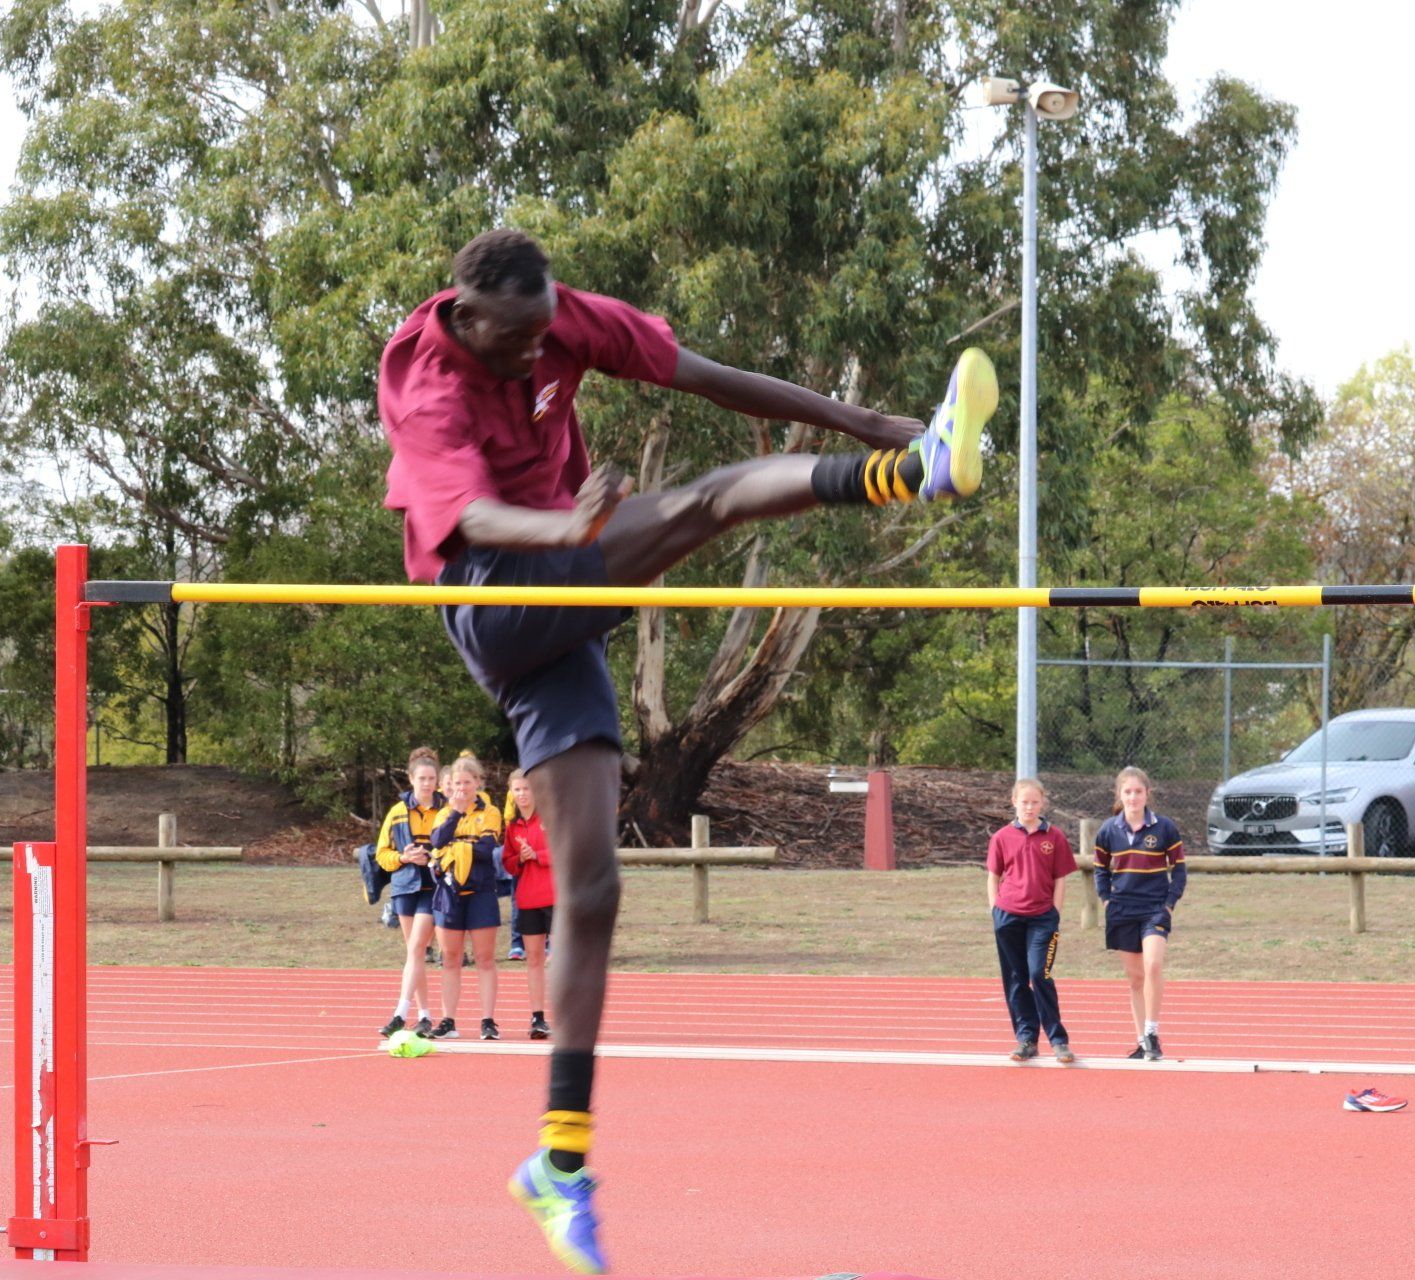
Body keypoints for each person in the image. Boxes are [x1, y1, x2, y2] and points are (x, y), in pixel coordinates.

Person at [378, 228, 994, 1273]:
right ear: (467, 313)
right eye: (515, 340)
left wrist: (856, 412)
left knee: (594, 888)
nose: (536, 354)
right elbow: (470, 511)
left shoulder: (556, 316)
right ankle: (917, 473)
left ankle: (558, 1163)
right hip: (498, 588)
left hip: (563, 618)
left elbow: (706, 375)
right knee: (709, 499)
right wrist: (567, 529)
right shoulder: (425, 375)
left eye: (544, 334)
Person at [1093, 766, 1186, 1061]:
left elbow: (1180, 870)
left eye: (1138, 791)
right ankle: (1140, 1043)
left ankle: (1152, 1032)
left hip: (1154, 909)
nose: (1133, 797)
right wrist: (1107, 901)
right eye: (1128, 792)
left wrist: (1169, 903)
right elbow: (1099, 869)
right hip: (1122, 910)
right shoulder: (1108, 829)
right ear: (1119, 795)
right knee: (1135, 979)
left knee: (1153, 965)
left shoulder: (1164, 827)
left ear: (1147, 794)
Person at [986, 779, 1079, 1064]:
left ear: (1043, 803)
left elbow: (1059, 879)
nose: (1029, 807)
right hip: (1008, 916)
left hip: (1042, 918)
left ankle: (1058, 1040)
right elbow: (993, 876)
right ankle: (1026, 1039)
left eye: (1034, 802)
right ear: (1014, 801)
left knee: (1040, 973)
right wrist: (995, 911)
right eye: (1024, 802)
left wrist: (1055, 912)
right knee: (1015, 978)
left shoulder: (1055, 837)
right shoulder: (1001, 837)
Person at [427, 754, 505, 1041]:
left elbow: (487, 850)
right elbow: (436, 841)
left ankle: (488, 1020)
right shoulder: (445, 811)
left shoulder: (490, 812)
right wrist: (457, 813)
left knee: (485, 958)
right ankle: (448, 1020)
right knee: (450, 958)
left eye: (467, 783)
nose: (461, 788)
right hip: (449, 892)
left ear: (478, 783)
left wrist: (454, 849)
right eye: (457, 783)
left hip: (481, 891)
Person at [375, 748, 444, 1038]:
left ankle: (400, 1013)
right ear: (411, 779)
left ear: (438, 780)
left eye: (431, 778)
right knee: (413, 954)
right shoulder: (397, 812)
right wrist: (404, 858)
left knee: (417, 948)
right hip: (405, 887)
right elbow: (382, 854)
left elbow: (453, 846)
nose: (427, 784)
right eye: (422, 779)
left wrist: (431, 857)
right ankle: (425, 1015)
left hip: (433, 886)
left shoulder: (446, 809)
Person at [505, 768, 555, 1039]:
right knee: (534, 959)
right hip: (528, 899)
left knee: (561, 959)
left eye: (527, 788)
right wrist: (521, 859)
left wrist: (538, 854)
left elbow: (568, 849)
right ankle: (538, 1018)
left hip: (557, 897)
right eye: (517, 789)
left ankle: (571, 1017)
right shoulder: (511, 826)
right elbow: (508, 864)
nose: (522, 794)